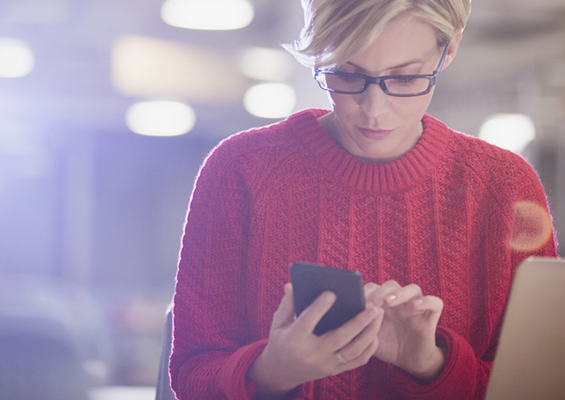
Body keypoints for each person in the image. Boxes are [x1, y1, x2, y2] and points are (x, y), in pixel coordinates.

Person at [169, 0, 558, 399]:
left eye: (405, 79)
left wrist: (432, 365)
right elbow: (191, 375)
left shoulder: (504, 187)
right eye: (346, 74)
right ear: (320, 53)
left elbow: (540, 385)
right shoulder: (241, 170)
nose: (374, 111)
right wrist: (271, 371)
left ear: (450, 49)